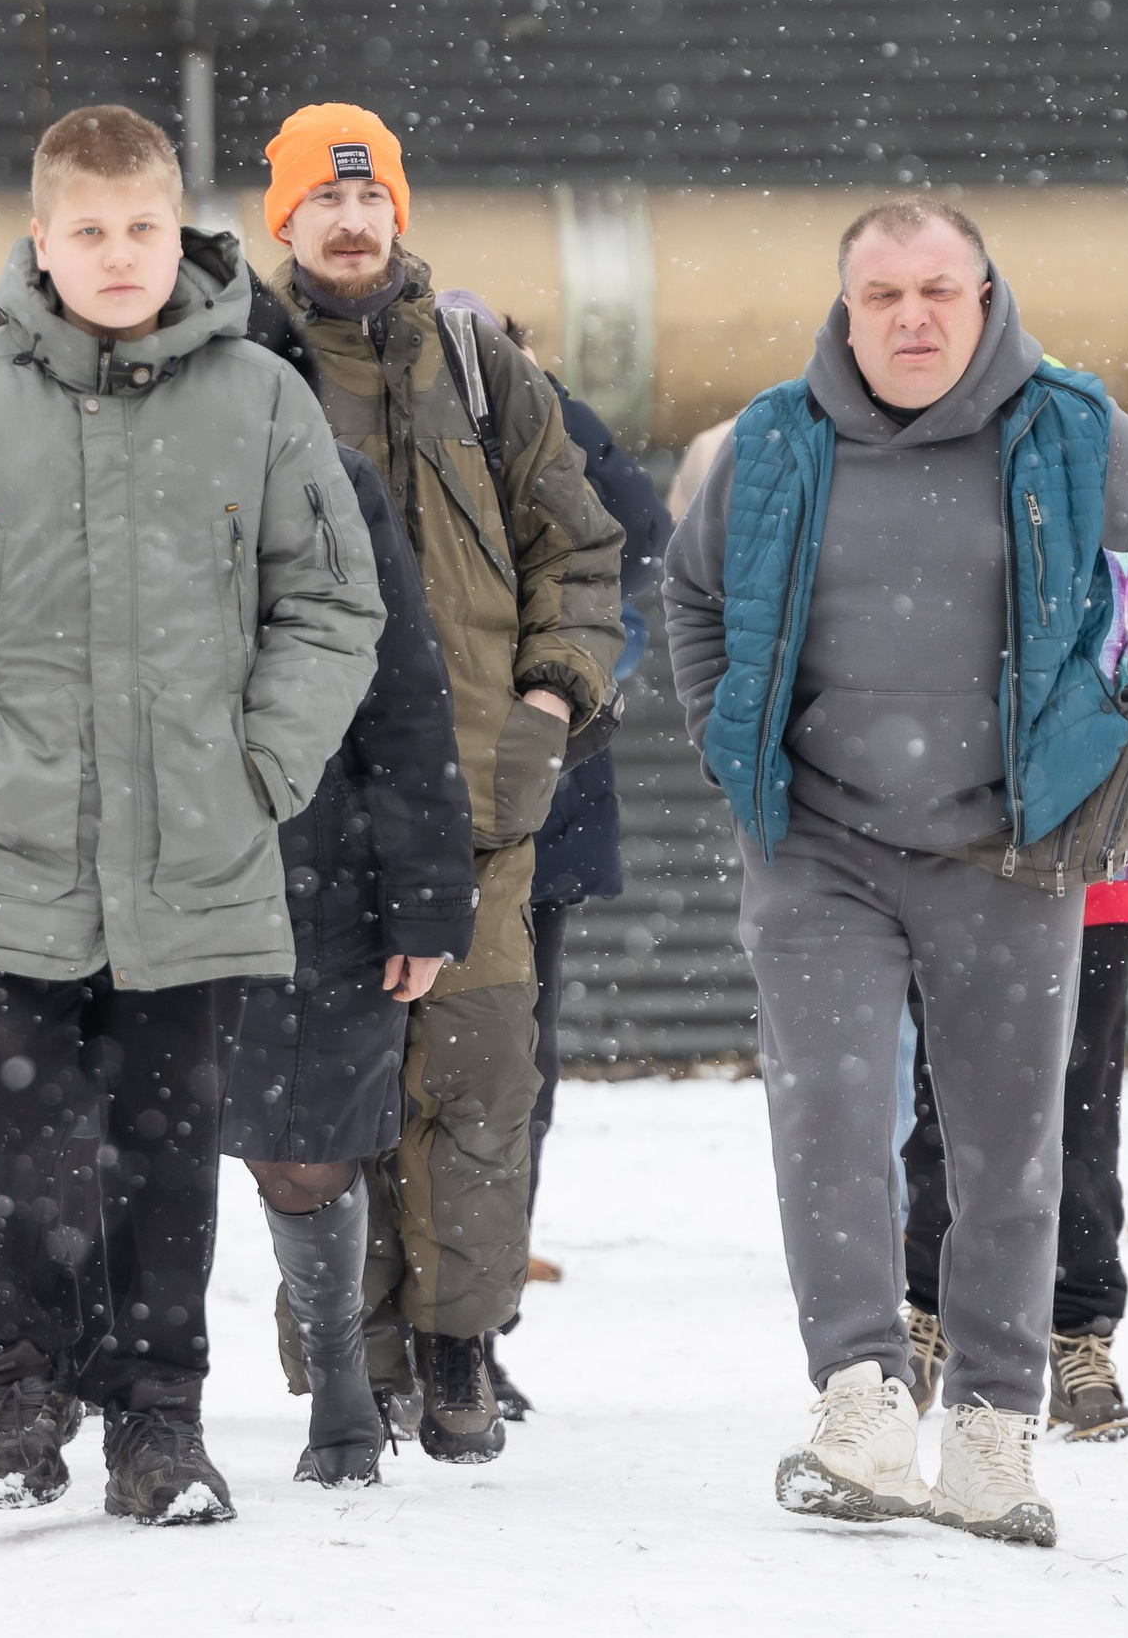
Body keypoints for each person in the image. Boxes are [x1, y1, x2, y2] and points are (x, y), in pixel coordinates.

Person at [0, 105, 384, 1521]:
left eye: (143, 226)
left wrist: (260, 765)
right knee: (4, 1142)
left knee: (163, 1146)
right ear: (41, 240)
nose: (119, 253)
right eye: (89, 230)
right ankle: (17, 1397)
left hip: (193, 852)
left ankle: (157, 1421)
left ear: (179, 228)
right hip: (7, 843)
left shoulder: (262, 397)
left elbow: (330, 602)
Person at [661, 194, 1128, 1546]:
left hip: (1008, 843)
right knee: (834, 1119)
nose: (910, 317)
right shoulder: (775, 440)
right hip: (822, 846)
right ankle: (857, 1395)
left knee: (1007, 1146)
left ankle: (989, 1425)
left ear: (985, 297)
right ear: (843, 307)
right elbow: (689, 591)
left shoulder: (1070, 426)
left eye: (937, 291)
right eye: (881, 295)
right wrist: (730, 739)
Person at [260, 103, 624, 1462]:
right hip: (308, 803)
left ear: (398, 211)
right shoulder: (251, 371)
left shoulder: (478, 366)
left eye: (372, 198)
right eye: (322, 201)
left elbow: (582, 549)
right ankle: (346, 1363)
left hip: (483, 793)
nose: (351, 221)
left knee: (476, 1081)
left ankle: (460, 1351)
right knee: (324, 1090)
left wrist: (550, 698)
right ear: (282, 218)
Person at [219, 421, 476, 1488]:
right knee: (112, 1139)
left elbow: (402, 691)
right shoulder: (34, 438)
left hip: (306, 850)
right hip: (107, 843)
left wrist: (423, 900)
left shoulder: (319, 469)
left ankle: (339, 1394)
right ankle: (131, 1404)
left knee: (302, 1135)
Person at [899, 559, 1128, 1443]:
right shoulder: (967, 549)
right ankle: (932, 1309)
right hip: (960, 874)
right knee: (943, 1106)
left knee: (1081, 1117)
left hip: (1097, 882)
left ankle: (1079, 1335)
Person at [437, 291, 674, 1422]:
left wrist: (541, 402)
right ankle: (382, 1335)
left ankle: (479, 1330)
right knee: (375, 1083)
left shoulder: (561, 444)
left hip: (546, 821)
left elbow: (641, 530)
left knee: (509, 1085)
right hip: (404, 819)